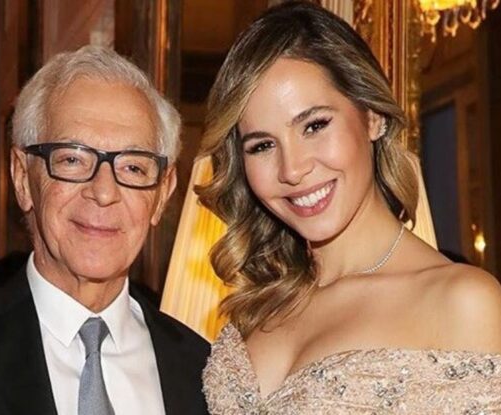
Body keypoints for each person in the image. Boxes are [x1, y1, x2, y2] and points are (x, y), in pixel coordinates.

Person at [198, 2, 501, 413]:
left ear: (372, 116)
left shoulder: (465, 302)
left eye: (314, 125)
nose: (293, 169)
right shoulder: (257, 306)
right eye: (263, 145)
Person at [0, 46, 209, 415]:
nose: (104, 192)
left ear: (162, 194)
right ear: (23, 178)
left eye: (133, 167)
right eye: (72, 159)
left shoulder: (203, 374)